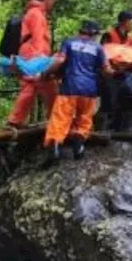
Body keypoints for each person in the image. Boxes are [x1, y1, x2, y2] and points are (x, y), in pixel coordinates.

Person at [44, 20, 110, 159]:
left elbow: (60, 60)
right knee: (84, 118)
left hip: (69, 87)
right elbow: (106, 70)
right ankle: (78, 147)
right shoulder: (98, 48)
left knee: (60, 118)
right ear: (93, 34)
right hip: (89, 90)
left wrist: (46, 72)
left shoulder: (69, 42)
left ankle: (54, 148)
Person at [9, 0, 58, 128]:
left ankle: (15, 121)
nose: (53, 3)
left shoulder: (35, 13)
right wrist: (39, 64)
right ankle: (56, 119)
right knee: (36, 87)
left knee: (33, 89)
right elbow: (37, 39)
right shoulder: (36, 14)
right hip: (34, 55)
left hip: (32, 54)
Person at [98, 37, 132, 133]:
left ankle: (115, 130)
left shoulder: (108, 51)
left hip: (121, 100)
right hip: (117, 98)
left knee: (125, 108)